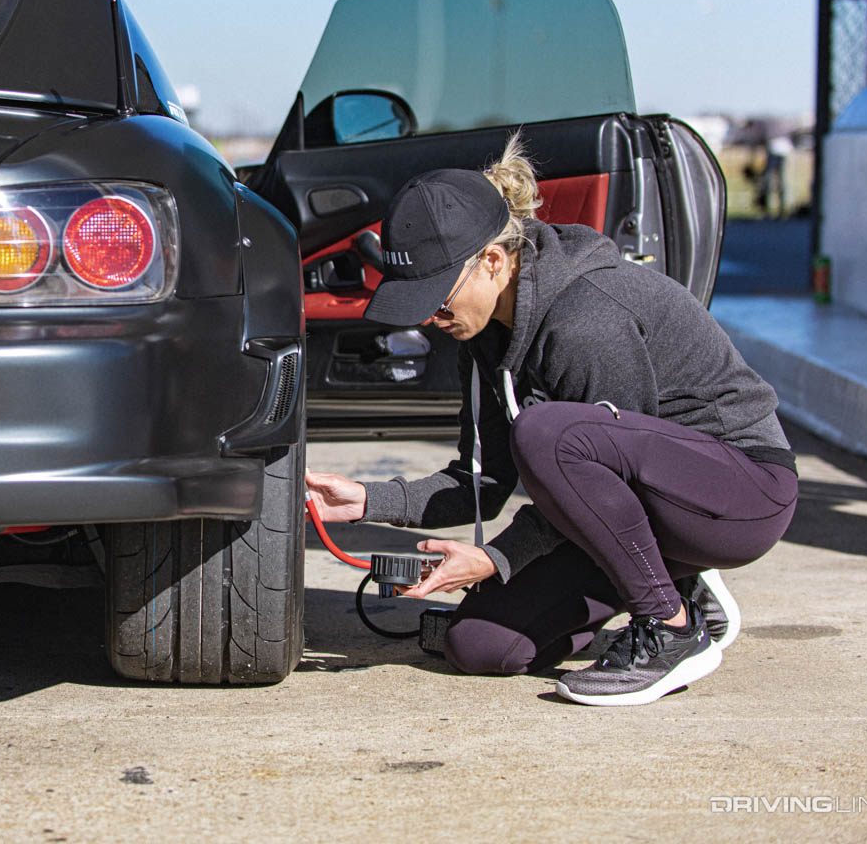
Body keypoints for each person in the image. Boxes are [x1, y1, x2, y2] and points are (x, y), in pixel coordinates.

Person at [305, 134, 798, 706]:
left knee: (545, 434)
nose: (432, 318)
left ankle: (669, 624)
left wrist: (495, 558)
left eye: (439, 298)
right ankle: (673, 575)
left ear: (491, 261)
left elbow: (604, 473)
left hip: (738, 497)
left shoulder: (588, 320)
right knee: (481, 645)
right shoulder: (485, 332)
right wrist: (365, 501)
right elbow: (483, 484)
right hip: (642, 512)